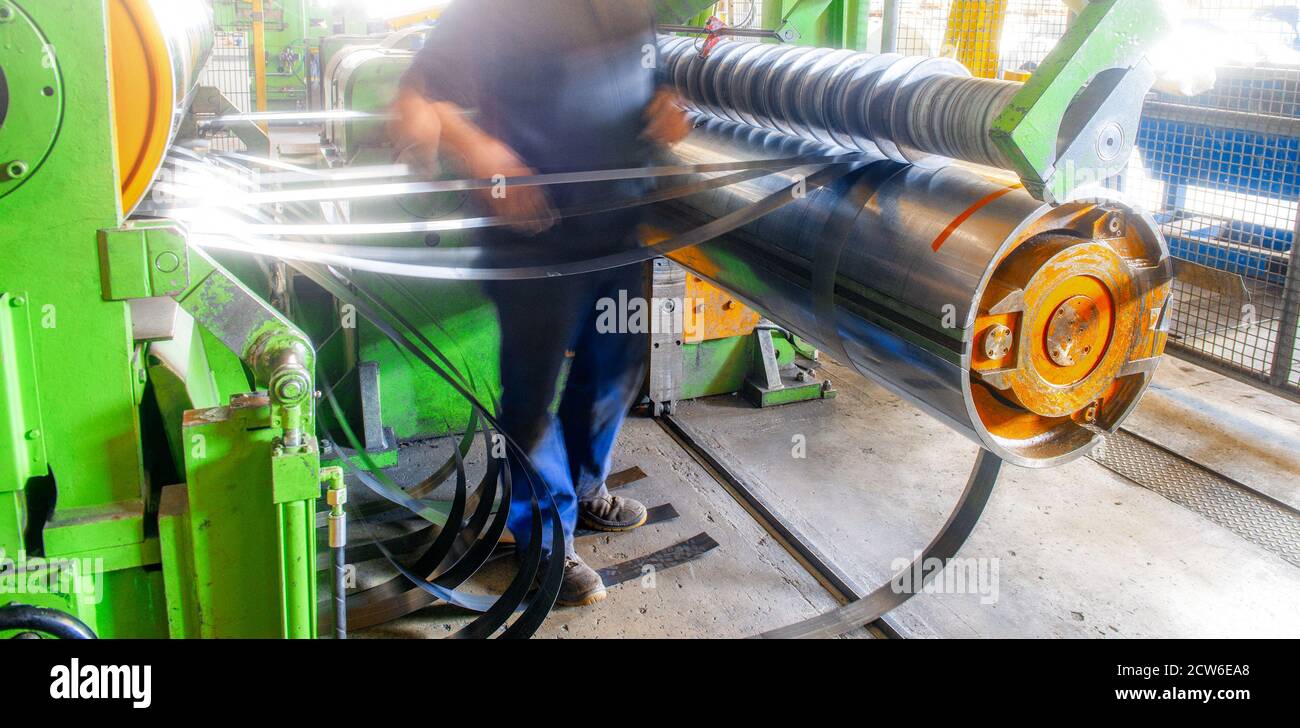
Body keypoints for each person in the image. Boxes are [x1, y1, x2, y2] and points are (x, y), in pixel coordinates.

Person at [389, 0, 692, 606]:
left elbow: (647, 76)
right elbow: (424, 91)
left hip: (617, 224)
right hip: (533, 232)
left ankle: (583, 489)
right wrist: (480, 150)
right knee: (530, 397)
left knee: (617, 370)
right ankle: (547, 539)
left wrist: (663, 104)